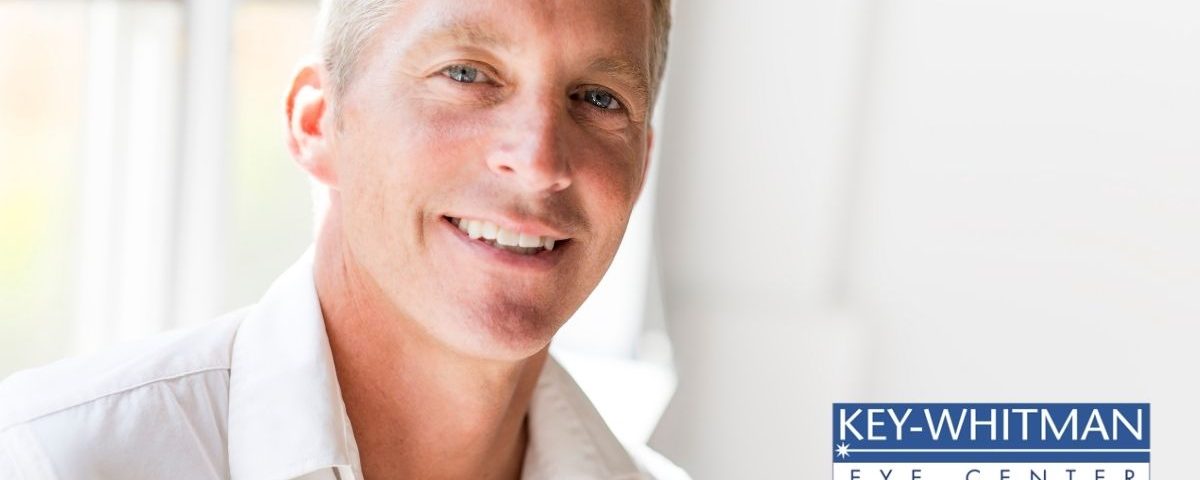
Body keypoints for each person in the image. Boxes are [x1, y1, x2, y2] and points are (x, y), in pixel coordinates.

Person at [0, 0, 686, 478]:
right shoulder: (52, 460)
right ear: (318, 122)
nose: (539, 160)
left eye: (599, 99)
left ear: (641, 167)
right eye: (466, 74)